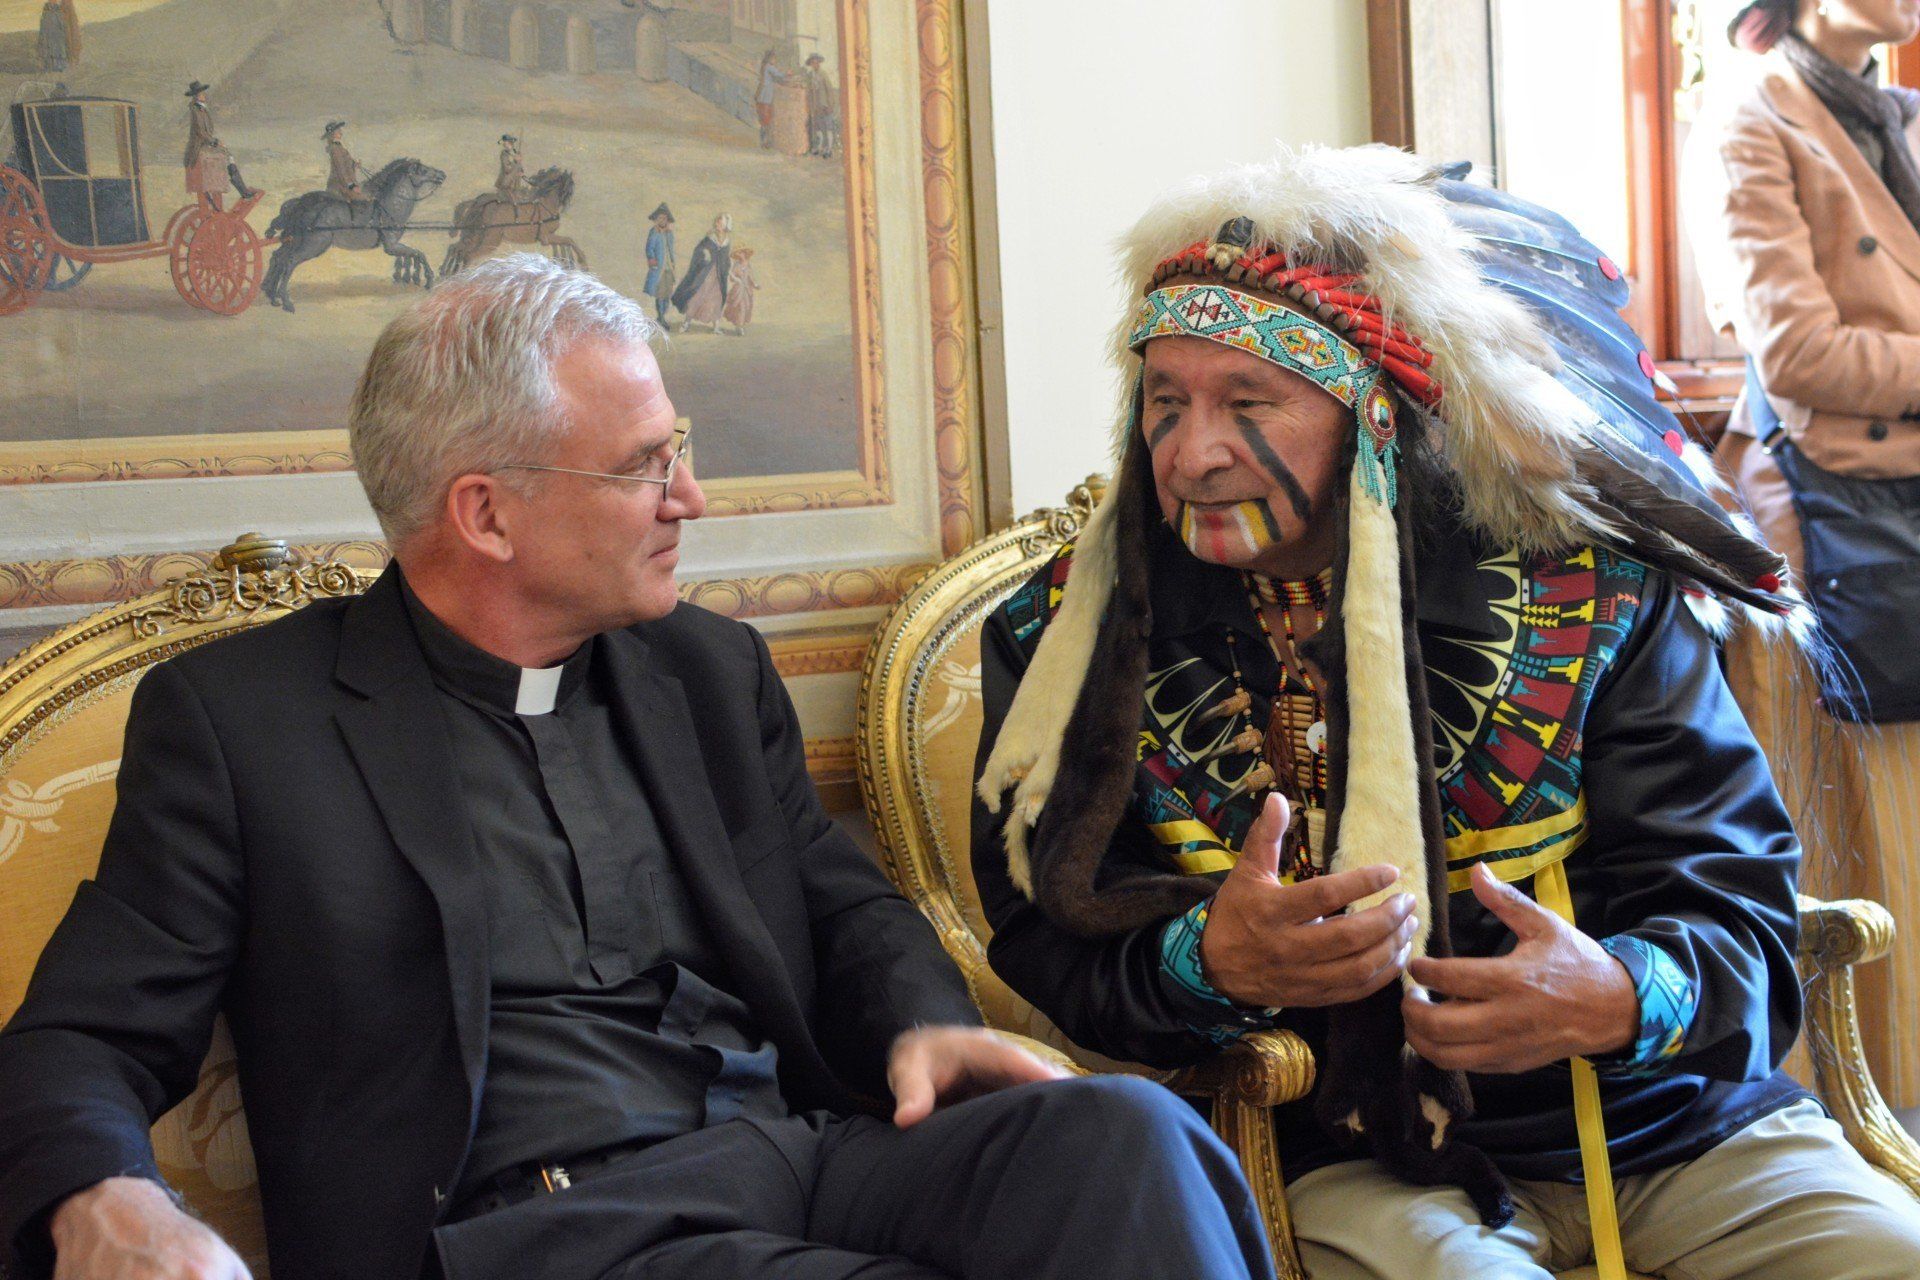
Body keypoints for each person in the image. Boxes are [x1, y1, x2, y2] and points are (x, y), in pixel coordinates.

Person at [0, 253, 1274, 1280]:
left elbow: (845, 902)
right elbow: (79, 1035)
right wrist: (99, 1195)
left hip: (799, 1153)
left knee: (1130, 1136)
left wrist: (924, 1017)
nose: (692, 496)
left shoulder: (704, 671)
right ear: (484, 512)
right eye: (644, 465)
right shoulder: (245, 722)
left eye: (679, 447)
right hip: (540, 1223)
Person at [972, 146, 1920, 1279]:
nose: (1192, 452)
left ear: (1370, 414)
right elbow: (1039, 934)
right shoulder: (1066, 634)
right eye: (1165, 402)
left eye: (1247, 400)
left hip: (1678, 1132)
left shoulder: (1590, 595)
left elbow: (1745, 914)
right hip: (1361, 1162)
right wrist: (1209, 957)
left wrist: (1617, 995)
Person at [1682, 0, 1920, 1133]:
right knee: (1870, 830)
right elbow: (1798, 354)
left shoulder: (1895, 116)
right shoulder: (1753, 118)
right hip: (1839, 519)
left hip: (1900, 487)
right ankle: (1872, 1107)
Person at [183, 81, 259, 205]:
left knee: (227, 155)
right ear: (196, 96)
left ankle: (242, 190)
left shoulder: (200, 109)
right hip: (198, 147)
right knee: (227, 156)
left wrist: (214, 142)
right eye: (202, 94)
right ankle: (243, 191)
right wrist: (215, 142)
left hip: (203, 144)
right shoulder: (197, 110)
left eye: (203, 93)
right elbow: (201, 132)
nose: (204, 95)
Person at [671, 213, 730, 332]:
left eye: (721, 223)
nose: (718, 224)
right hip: (706, 273)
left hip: (718, 276)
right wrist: (704, 253)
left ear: (725, 226)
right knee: (697, 296)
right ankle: (686, 323)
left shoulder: (727, 241)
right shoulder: (710, 237)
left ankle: (716, 327)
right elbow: (699, 249)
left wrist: (726, 268)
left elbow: (725, 258)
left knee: (717, 299)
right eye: (717, 222)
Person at [643, 202, 676, 324]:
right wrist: (653, 261)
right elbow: (649, 248)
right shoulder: (654, 232)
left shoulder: (669, 234)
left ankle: (663, 316)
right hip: (659, 268)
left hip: (669, 268)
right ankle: (661, 317)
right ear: (656, 219)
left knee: (667, 294)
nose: (663, 220)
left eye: (665, 218)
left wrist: (673, 262)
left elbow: (671, 249)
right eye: (660, 218)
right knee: (660, 294)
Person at [325, 120, 372, 204]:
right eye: (338, 131)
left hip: (345, 184)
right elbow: (341, 170)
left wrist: (354, 164)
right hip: (340, 186)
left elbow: (346, 164)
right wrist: (352, 186)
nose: (341, 133)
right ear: (333, 134)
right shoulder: (335, 149)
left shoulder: (339, 147)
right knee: (365, 200)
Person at [803, 53, 839, 159]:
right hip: (816, 105)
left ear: (819, 63)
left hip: (825, 105)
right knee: (818, 127)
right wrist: (810, 106)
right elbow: (809, 91)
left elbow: (829, 90)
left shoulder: (823, 74)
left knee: (828, 127)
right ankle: (819, 147)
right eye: (812, 63)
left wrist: (830, 104)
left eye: (816, 62)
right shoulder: (810, 76)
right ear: (810, 64)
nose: (815, 64)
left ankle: (829, 149)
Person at [721, 247, 758, 335]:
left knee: (746, 307)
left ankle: (739, 325)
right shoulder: (736, 265)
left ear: (745, 253)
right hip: (738, 289)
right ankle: (739, 327)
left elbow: (751, 277)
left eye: (740, 252)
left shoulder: (748, 264)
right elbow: (731, 278)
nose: (739, 255)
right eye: (737, 253)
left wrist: (755, 284)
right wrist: (735, 278)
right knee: (739, 307)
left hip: (747, 289)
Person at [754, 48, 786, 149]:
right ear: (770, 59)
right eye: (774, 59)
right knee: (766, 121)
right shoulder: (769, 67)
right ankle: (765, 142)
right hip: (766, 98)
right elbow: (778, 75)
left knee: (764, 121)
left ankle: (764, 142)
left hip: (762, 98)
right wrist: (788, 73)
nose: (775, 61)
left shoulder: (764, 67)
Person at [495, 134, 532, 205]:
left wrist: (521, 171)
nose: (504, 145)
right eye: (504, 143)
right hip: (506, 181)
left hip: (516, 181)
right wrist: (515, 161)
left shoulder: (516, 153)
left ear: (511, 143)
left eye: (506, 143)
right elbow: (507, 169)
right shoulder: (504, 154)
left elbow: (520, 167)